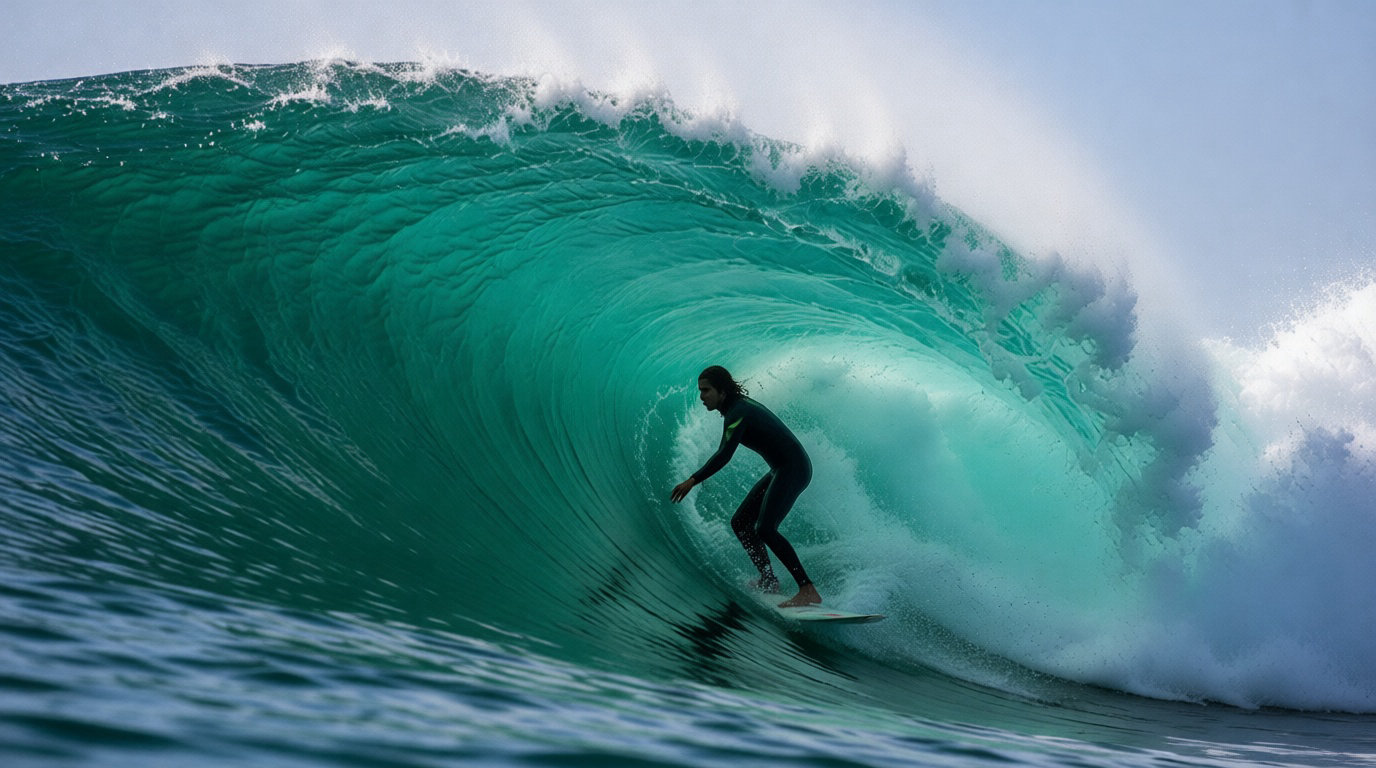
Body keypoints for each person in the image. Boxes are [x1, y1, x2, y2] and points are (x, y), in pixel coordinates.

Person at [671, 366, 822, 608]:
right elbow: (725, 450)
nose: (701, 397)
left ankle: (807, 589)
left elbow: (723, 455)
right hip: (781, 468)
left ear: (722, 390)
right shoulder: (736, 408)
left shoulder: (738, 412)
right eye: (700, 391)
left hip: (793, 468)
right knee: (741, 522)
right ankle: (769, 580)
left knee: (765, 528)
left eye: (706, 390)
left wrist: (693, 479)